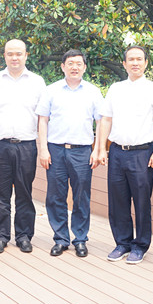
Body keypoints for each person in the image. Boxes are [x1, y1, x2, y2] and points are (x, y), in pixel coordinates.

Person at [95, 45, 153, 265]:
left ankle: (140, 246)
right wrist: (101, 148)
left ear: (146, 63)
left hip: (142, 153)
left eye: (139, 59)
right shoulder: (116, 89)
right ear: (124, 64)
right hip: (117, 152)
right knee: (118, 200)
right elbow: (106, 119)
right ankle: (122, 243)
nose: (135, 63)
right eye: (131, 59)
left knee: (142, 201)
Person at [36, 50, 103, 258]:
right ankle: (61, 239)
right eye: (70, 63)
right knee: (55, 196)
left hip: (82, 151)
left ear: (84, 67)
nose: (75, 67)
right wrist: (43, 149)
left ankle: (80, 239)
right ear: (63, 66)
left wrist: (97, 149)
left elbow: (101, 122)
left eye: (79, 64)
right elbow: (43, 120)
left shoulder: (93, 92)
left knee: (81, 196)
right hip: (55, 150)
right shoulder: (51, 90)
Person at [0, 39, 46, 254]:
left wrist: (43, 147)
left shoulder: (37, 82)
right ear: (4, 56)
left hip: (27, 146)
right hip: (0, 146)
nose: (14, 58)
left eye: (18, 53)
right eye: (10, 53)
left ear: (26, 55)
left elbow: (43, 117)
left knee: (24, 192)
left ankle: (24, 236)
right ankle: (1, 236)